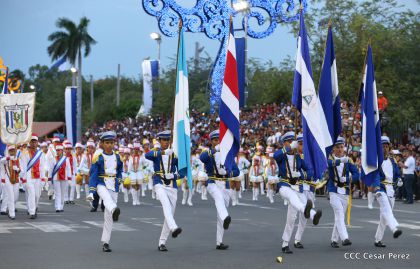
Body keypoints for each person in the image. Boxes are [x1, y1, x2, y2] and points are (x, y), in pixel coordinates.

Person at [274, 132, 321, 254]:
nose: (292, 144)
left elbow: (310, 171)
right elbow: (275, 155)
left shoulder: (298, 157)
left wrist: (301, 174)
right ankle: (309, 213)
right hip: (284, 185)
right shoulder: (282, 155)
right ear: (284, 143)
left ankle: (285, 243)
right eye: (289, 142)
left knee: (291, 218)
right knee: (294, 198)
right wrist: (289, 147)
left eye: (292, 141)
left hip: (297, 187)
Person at [200, 130, 239, 250]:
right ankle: (226, 217)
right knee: (218, 200)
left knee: (220, 214)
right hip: (213, 182)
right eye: (215, 140)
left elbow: (236, 170)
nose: (218, 142)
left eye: (219, 140)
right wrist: (215, 150)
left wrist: (230, 172)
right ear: (211, 141)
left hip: (225, 184)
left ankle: (219, 242)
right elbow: (202, 158)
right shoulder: (209, 153)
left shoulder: (228, 154)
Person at [145, 130, 183, 252]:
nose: (166, 142)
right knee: (166, 206)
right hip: (159, 183)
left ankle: (162, 242)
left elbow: (181, 170)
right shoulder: (156, 152)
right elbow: (147, 155)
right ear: (160, 141)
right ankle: (174, 228)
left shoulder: (174, 155)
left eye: (168, 140)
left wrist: (175, 175)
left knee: (170, 213)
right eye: (164, 140)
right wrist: (162, 152)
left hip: (172, 186)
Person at [87, 131, 122, 252]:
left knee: (108, 218)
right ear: (102, 144)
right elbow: (93, 175)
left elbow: (120, 170)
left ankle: (105, 242)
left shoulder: (118, 156)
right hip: (101, 183)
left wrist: (119, 179)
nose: (109, 145)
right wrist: (91, 191)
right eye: (107, 143)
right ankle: (114, 209)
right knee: (106, 199)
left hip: (113, 185)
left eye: (111, 143)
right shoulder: (98, 158)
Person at [327, 137, 359, 248]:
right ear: (333, 149)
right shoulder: (330, 158)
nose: (340, 149)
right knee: (339, 212)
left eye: (341, 147)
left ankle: (334, 240)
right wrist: (340, 160)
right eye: (337, 147)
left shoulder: (349, 160)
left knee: (339, 216)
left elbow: (356, 174)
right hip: (333, 190)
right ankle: (345, 238)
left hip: (345, 191)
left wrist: (349, 178)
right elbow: (329, 164)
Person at [374, 136, 403, 247]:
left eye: (386, 146)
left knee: (384, 217)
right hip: (381, 189)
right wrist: (376, 187)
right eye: (382, 146)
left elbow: (396, 173)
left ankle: (378, 239)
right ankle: (394, 228)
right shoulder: (376, 160)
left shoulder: (392, 160)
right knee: (387, 211)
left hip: (391, 190)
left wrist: (399, 179)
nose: (385, 148)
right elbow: (375, 174)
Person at [21, 134, 45, 219]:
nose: (33, 143)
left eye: (35, 141)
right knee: (31, 193)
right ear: (29, 142)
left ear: (37, 142)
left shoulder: (40, 153)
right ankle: (32, 212)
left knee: (37, 195)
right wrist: (23, 179)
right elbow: (23, 167)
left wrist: (43, 179)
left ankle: (34, 208)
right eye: (32, 141)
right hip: (29, 177)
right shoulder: (25, 153)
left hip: (38, 177)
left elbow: (42, 166)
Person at [1, 145, 23, 220]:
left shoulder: (18, 159)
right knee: (10, 196)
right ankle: (11, 213)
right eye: (10, 151)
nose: (12, 152)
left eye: (13, 150)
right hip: (8, 179)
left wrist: (17, 169)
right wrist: (9, 158)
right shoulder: (6, 159)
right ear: (8, 151)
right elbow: (1, 161)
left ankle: (11, 209)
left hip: (16, 179)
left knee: (15, 196)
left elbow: (21, 170)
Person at [48, 144, 71, 213]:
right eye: (56, 150)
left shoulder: (66, 159)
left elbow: (68, 169)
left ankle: (61, 206)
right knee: (57, 193)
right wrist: (49, 178)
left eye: (59, 150)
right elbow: (51, 169)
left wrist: (69, 178)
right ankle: (57, 207)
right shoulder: (53, 159)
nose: (57, 152)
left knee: (63, 192)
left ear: (62, 151)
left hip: (64, 177)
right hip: (56, 177)